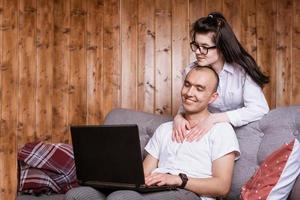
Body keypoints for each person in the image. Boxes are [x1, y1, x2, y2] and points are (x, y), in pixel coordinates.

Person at [65, 66, 240, 200]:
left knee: (121, 198)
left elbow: (222, 186)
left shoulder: (221, 130)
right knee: (79, 195)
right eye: (187, 85)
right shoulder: (165, 129)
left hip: (189, 191)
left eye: (199, 88)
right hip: (157, 188)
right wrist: (113, 178)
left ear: (213, 97)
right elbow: (143, 174)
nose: (189, 93)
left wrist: (179, 179)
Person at [173, 12, 270, 143]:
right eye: (196, 45)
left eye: (205, 47)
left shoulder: (242, 71)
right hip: (208, 134)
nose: (197, 52)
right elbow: (189, 101)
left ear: (222, 47)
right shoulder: (192, 70)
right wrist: (179, 117)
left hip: (244, 134)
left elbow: (259, 109)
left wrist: (214, 119)